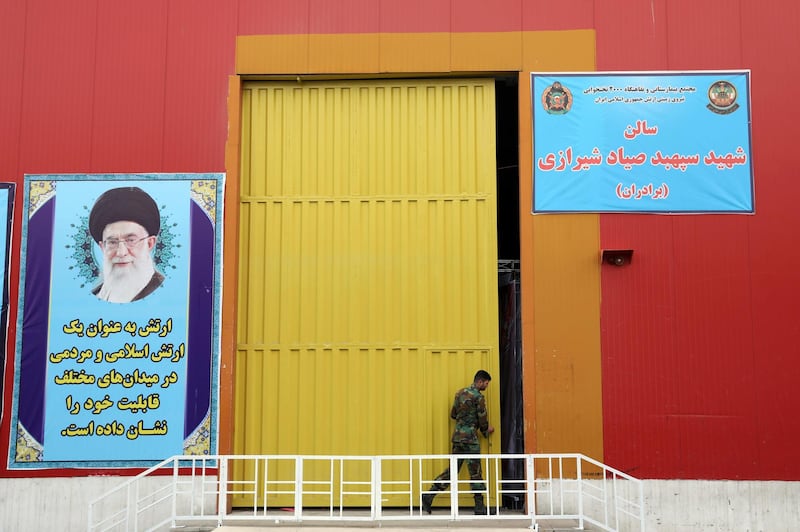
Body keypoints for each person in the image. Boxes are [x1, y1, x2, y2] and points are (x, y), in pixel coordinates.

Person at [422, 369, 496, 515]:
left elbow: (453, 414)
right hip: (470, 440)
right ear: (480, 381)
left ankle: (429, 495)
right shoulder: (478, 398)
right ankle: (480, 507)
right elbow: (483, 420)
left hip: (457, 438)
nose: (486, 386)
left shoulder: (459, 393)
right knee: (475, 473)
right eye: (486, 384)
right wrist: (487, 430)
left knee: (452, 471)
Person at [88, 186, 164, 303]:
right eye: (112, 242)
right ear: (102, 247)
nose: (121, 252)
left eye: (131, 240)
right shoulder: (96, 295)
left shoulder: (163, 292)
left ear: (150, 243)